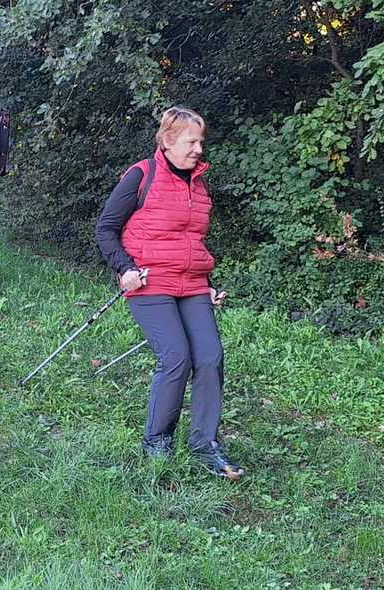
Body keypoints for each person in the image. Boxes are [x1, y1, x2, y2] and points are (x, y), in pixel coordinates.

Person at [94, 106, 244, 480]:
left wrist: (207, 285)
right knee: (176, 356)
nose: (198, 149)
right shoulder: (141, 175)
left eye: (200, 142)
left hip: (192, 284)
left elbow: (191, 241)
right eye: (191, 142)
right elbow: (106, 228)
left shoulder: (199, 185)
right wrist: (125, 269)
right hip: (149, 281)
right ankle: (157, 441)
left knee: (209, 356)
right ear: (167, 141)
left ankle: (204, 445)